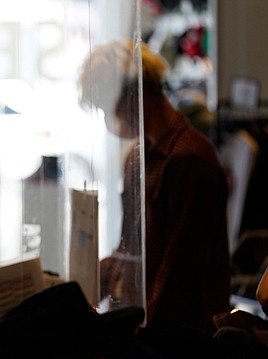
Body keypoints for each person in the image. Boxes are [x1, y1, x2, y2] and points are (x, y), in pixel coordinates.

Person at [77, 40, 231, 334]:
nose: (108, 118)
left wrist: (141, 334)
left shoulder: (189, 160)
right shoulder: (138, 157)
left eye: (108, 106)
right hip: (147, 328)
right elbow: (130, 247)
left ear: (136, 95)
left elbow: (180, 274)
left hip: (183, 340)